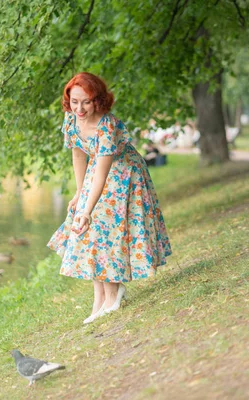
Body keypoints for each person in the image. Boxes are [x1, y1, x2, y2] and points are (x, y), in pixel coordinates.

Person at [47, 72, 172, 324]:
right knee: (88, 231)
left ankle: (113, 294)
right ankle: (99, 300)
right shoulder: (71, 120)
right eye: (74, 102)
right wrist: (80, 194)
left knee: (106, 227)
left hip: (124, 172)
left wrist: (87, 209)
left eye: (86, 102)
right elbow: (79, 155)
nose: (79, 108)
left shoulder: (107, 125)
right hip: (97, 171)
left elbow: (104, 173)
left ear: (97, 100)